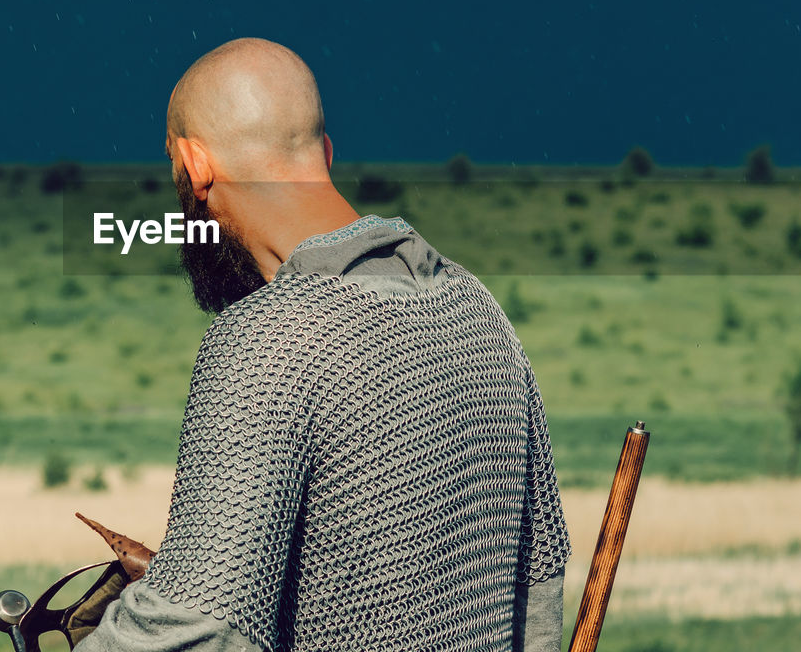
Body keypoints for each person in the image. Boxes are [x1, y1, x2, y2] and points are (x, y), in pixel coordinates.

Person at [75, 38, 570, 652]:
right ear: (324, 153)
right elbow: (537, 591)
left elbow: (195, 633)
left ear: (195, 165)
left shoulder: (266, 340)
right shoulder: (477, 309)